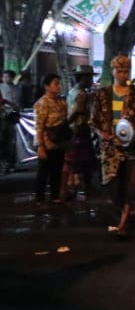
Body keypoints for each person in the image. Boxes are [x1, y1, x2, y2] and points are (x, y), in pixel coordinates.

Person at [92, 55, 135, 237]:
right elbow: (94, 120)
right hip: (109, 148)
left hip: (132, 147)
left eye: (126, 70)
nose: (122, 74)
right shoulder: (101, 95)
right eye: (119, 70)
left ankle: (123, 222)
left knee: (131, 184)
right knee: (112, 184)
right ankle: (122, 212)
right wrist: (101, 133)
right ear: (112, 72)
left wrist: (134, 130)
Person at [33, 73, 68, 205]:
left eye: (59, 83)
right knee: (44, 171)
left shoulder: (60, 101)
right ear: (47, 86)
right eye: (56, 83)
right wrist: (41, 146)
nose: (59, 86)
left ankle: (55, 196)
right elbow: (39, 126)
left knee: (57, 170)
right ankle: (40, 198)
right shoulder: (42, 103)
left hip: (59, 142)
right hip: (46, 142)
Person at [64, 64, 97, 198]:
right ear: (82, 78)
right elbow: (75, 112)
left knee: (74, 161)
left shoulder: (72, 91)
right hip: (80, 129)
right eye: (89, 78)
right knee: (84, 161)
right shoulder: (81, 94)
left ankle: (74, 186)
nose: (91, 81)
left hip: (74, 129)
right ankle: (86, 188)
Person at [0, 69, 19, 173]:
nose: (6, 79)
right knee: (3, 140)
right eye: (4, 76)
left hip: (12, 116)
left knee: (11, 141)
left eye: (8, 77)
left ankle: (11, 163)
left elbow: (16, 102)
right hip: (3, 116)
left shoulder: (16, 88)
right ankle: (4, 164)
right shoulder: (1, 88)